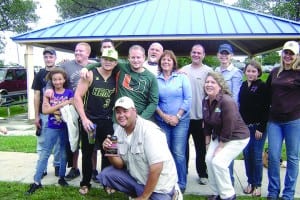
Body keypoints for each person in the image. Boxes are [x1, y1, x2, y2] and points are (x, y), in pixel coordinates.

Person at [99, 96, 179, 200]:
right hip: (139, 179)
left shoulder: (150, 131)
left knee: (156, 196)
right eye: (118, 112)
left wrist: (144, 197)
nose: (121, 115)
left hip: (160, 187)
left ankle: (170, 195)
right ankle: (138, 193)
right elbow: (119, 165)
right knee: (107, 174)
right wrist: (109, 150)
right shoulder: (119, 130)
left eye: (125, 111)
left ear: (134, 111)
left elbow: (157, 168)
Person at [74, 49, 118, 195]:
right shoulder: (90, 74)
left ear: (116, 62)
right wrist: (84, 118)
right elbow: (77, 97)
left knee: (110, 153)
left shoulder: (117, 76)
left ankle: (107, 183)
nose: (108, 62)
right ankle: (85, 182)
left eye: (111, 60)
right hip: (90, 122)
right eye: (105, 58)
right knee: (87, 152)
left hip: (109, 122)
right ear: (101, 59)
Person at [26, 68, 74, 195]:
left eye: (59, 79)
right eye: (54, 80)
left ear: (64, 80)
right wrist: (62, 105)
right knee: (45, 153)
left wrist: (54, 108)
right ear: (51, 81)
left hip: (64, 128)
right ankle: (36, 181)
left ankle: (62, 178)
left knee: (63, 153)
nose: (57, 82)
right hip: (52, 127)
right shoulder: (49, 93)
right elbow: (45, 111)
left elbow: (71, 111)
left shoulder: (70, 93)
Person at [203, 72, 250, 200]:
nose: (209, 84)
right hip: (219, 136)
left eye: (213, 82)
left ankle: (228, 195)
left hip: (237, 137)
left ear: (220, 86)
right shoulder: (206, 100)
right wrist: (208, 144)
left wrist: (220, 147)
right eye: (207, 82)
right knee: (208, 160)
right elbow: (206, 124)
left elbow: (229, 126)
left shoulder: (227, 101)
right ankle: (216, 193)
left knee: (218, 162)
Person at [83, 44, 159, 120]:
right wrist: (86, 68)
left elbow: (153, 102)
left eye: (138, 57)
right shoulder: (122, 67)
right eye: (133, 57)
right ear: (129, 58)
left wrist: (141, 118)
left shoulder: (151, 77)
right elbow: (105, 63)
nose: (135, 60)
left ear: (144, 58)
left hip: (139, 119)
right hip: (119, 119)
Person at [265, 41, 300, 200]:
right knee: (273, 156)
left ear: (296, 56)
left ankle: (288, 194)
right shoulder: (274, 72)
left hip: (293, 121)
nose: (288, 56)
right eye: (286, 52)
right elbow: (265, 95)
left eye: (291, 53)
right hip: (274, 122)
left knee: (293, 158)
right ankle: (273, 192)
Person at [155, 50, 191, 193]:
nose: (166, 62)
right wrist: (164, 116)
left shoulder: (182, 78)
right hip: (162, 121)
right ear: (160, 63)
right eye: (163, 60)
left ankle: (181, 183)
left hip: (180, 121)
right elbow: (154, 101)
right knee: (165, 152)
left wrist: (177, 116)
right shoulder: (155, 80)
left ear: (174, 62)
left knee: (178, 152)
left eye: (169, 60)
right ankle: (168, 181)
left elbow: (188, 99)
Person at [180, 44, 213, 185]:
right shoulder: (183, 71)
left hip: (201, 117)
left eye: (199, 53)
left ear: (203, 55)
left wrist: (209, 117)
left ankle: (202, 173)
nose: (196, 55)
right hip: (184, 117)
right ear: (190, 53)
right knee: (182, 148)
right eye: (194, 52)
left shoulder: (209, 71)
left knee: (201, 148)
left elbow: (212, 95)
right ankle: (183, 172)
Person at [239, 60, 269, 197]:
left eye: (253, 71)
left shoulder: (262, 86)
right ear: (245, 72)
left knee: (257, 156)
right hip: (245, 128)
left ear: (258, 72)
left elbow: (265, 108)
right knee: (247, 154)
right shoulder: (243, 85)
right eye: (248, 71)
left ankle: (258, 184)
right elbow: (241, 106)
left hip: (258, 127)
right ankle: (250, 182)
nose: (250, 73)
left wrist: (261, 128)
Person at [215, 43, 243, 185]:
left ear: (231, 56)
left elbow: (236, 97)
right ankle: (220, 184)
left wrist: (229, 115)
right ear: (218, 55)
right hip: (217, 116)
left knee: (226, 150)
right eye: (222, 53)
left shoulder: (236, 73)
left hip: (228, 115)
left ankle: (229, 183)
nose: (224, 56)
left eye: (227, 54)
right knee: (218, 150)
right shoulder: (215, 71)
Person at [31, 47, 60, 177]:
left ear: (55, 58)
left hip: (58, 115)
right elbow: (37, 95)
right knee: (42, 142)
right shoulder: (39, 74)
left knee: (59, 142)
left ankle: (58, 165)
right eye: (46, 57)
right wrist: (36, 116)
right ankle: (41, 167)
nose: (48, 59)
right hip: (44, 115)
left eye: (51, 56)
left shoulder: (60, 72)